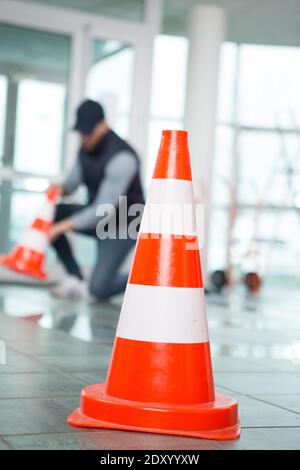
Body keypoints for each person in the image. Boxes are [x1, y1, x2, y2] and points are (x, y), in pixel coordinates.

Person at [49, 99, 144, 301]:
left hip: (123, 225)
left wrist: (60, 228)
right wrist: (60, 188)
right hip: (100, 218)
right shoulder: (85, 148)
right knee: (53, 214)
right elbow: (72, 183)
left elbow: (104, 208)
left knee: (97, 291)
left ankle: (148, 277)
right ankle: (74, 277)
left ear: (102, 126)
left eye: (88, 132)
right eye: (81, 133)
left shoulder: (123, 158)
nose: (84, 138)